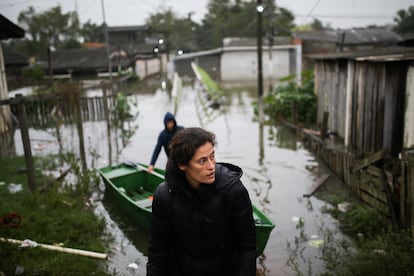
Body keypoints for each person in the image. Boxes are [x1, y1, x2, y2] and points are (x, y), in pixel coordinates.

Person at [147, 127, 256, 276]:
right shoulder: (164, 197)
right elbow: (158, 253)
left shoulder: (233, 190)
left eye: (212, 156)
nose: (211, 166)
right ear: (182, 164)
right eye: (202, 161)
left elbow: (246, 248)